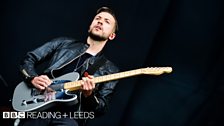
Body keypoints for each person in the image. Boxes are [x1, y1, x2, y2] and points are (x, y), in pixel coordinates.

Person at [18, 6, 119, 126]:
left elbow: (101, 109)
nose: (100, 21)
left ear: (111, 36)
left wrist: (89, 96)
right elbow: (29, 59)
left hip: (70, 118)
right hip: (38, 109)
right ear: (90, 26)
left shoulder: (111, 70)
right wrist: (32, 78)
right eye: (98, 18)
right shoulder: (63, 43)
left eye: (107, 21)